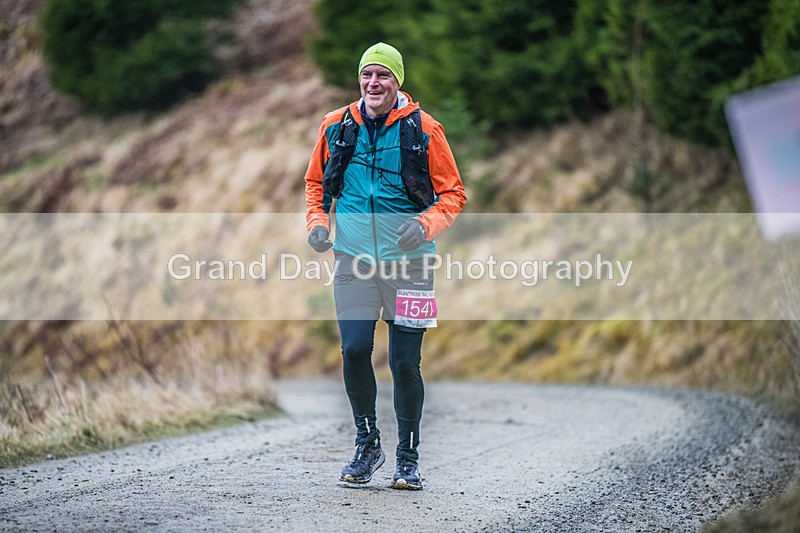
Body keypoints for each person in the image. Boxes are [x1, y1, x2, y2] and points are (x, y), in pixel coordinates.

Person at [304, 42, 466, 490]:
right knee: (355, 350)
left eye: (384, 76)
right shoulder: (336, 125)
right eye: (367, 76)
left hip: (411, 266)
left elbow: (452, 194)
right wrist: (318, 224)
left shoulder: (425, 129)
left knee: (404, 362)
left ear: (398, 82)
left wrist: (425, 225)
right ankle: (367, 444)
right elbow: (317, 183)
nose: (374, 84)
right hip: (352, 260)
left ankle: (408, 458)